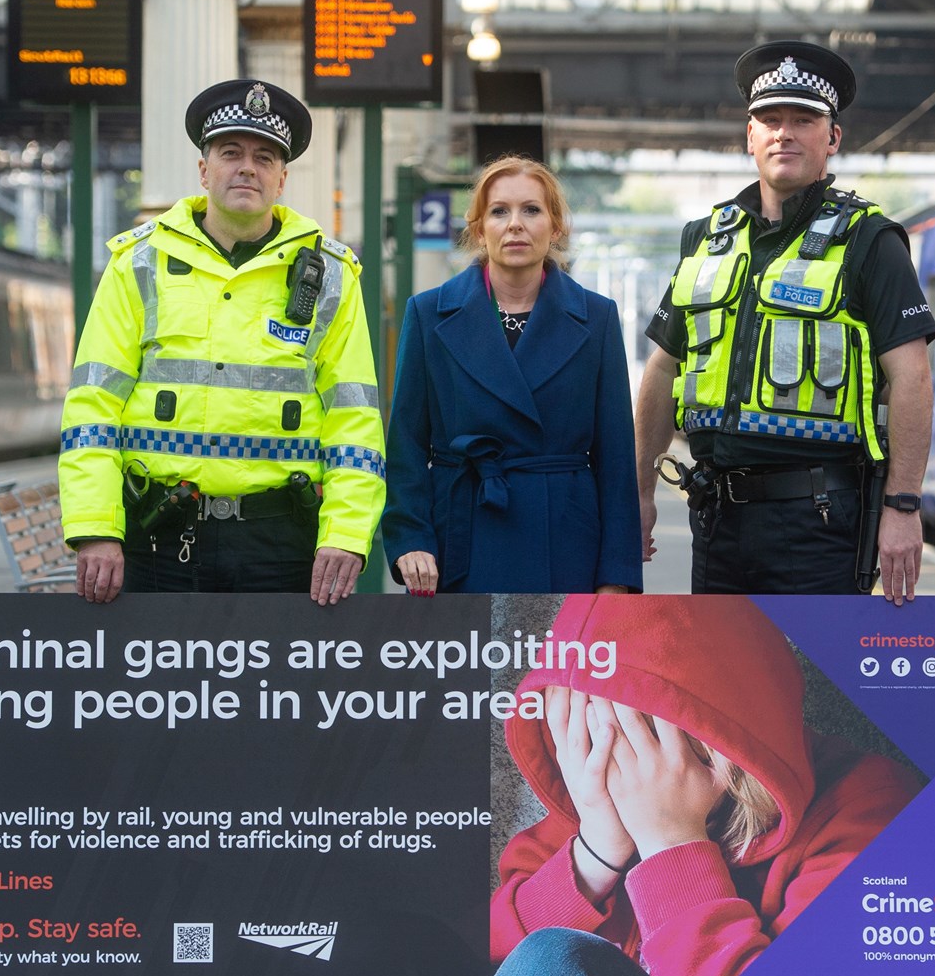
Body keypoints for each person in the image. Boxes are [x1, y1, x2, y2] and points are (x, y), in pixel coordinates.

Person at [489, 594, 921, 976]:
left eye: (635, 739)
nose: (613, 764)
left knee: (549, 964)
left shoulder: (870, 810)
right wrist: (597, 849)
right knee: (541, 962)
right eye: (584, 734)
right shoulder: (599, 796)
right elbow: (494, 965)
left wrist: (671, 843)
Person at [59, 79, 385, 606]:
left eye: (264, 156)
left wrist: (347, 533)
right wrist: (96, 525)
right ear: (204, 170)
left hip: (281, 543)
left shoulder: (331, 276)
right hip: (156, 535)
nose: (247, 167)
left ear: (282, 179)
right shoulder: (137, 263)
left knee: (278, 689)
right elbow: (93, 405)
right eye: (230, 152)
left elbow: (355, 418)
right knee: (153, 689)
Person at [634, 41, 935, 603]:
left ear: (833, 138)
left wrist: (903, 506)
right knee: (720, 687)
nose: (785, 133)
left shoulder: (870, 241)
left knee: (810, 687)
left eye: (804, 119)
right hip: (716, 519)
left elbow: (913, 377)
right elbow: (662, 369)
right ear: (750, 136)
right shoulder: (706, 239)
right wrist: (641, 492)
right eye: (770, 120)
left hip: (818, 521)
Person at [382, 156, 642, 595]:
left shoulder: (596, 318)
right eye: (499, 211)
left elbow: (616, 457)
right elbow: (405, 442)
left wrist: (616, 577)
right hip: (459, 540)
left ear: (556, 227)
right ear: (479, 228)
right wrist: (411, 538)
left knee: (554, 665)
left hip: (565, 542)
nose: (515, 224)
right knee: (467, 665)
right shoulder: (428, 313)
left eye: (532, 210)